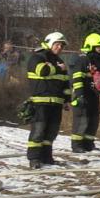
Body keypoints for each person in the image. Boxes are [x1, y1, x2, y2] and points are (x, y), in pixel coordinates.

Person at [26, 31, 69, 169]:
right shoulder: (37, 57)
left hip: (56, 102)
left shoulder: (60, 61)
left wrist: (67, 100)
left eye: (62, 46)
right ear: (50, 43)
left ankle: (46, 157)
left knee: (51, 131)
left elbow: (65, 82)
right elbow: (42, 71)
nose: (60, 48)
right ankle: (34, 159)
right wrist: (57, 68)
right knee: (38, 131)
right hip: (41, 101)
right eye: (57, 44)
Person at [68, 31, 100, 153]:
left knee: (93, 119)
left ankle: (88, 144)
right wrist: (80, 95)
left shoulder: (99, 60)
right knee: (82, 120)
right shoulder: (82, 59)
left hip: (93, 95)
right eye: (98, 46)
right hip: (82, 94)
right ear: (91, 46)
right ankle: (77, 145)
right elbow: (76, 78)